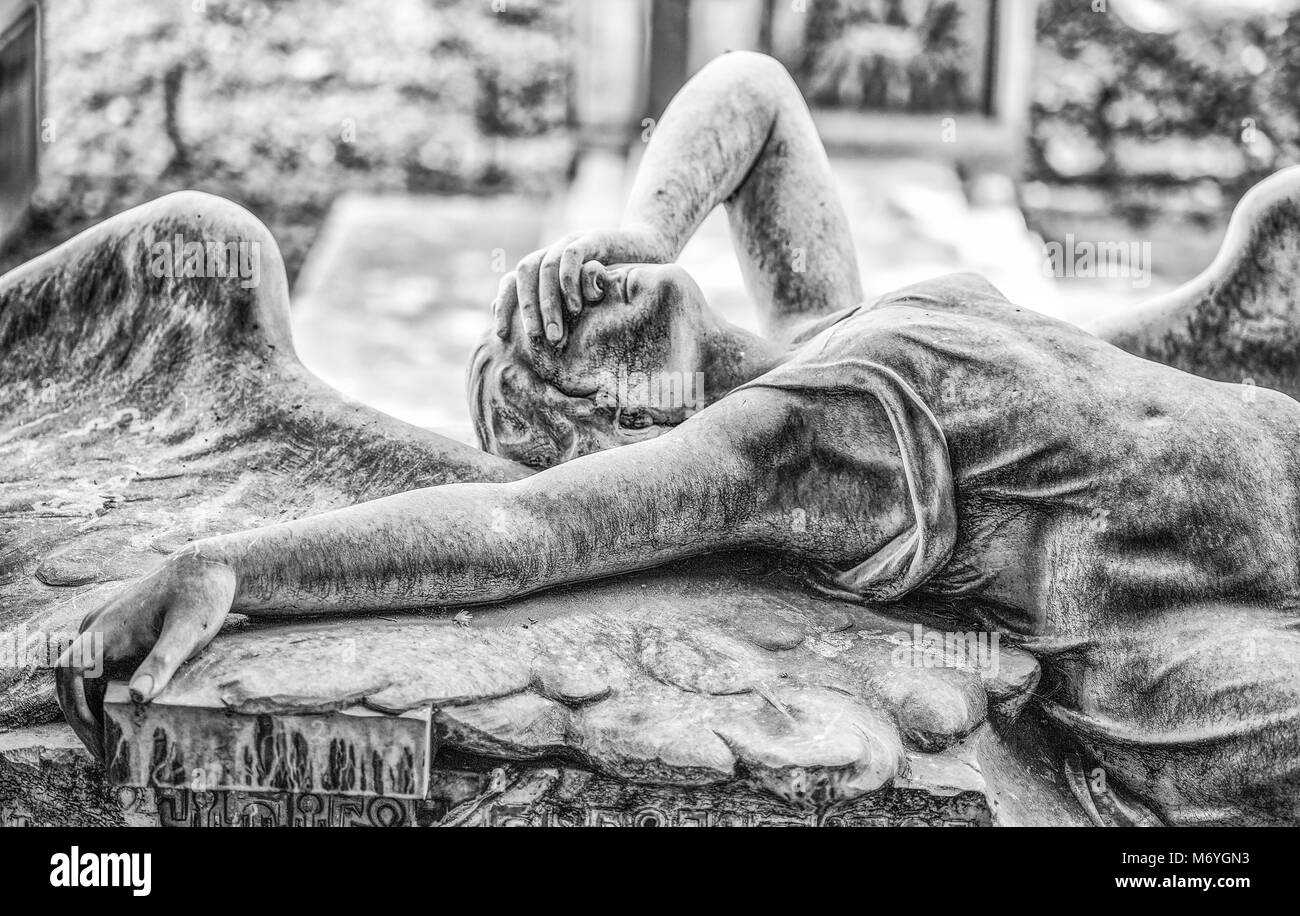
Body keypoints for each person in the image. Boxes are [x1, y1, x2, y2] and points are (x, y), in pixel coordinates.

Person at [56, 52, 1300, 824]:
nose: (613, 300)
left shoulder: (825, 318)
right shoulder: (779, 449)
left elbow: (753, 93)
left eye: (577, 298)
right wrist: (228, 567)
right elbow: (521, 532)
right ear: (629, 428)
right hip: (1181, 628)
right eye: (586, 346)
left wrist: (645, 225)